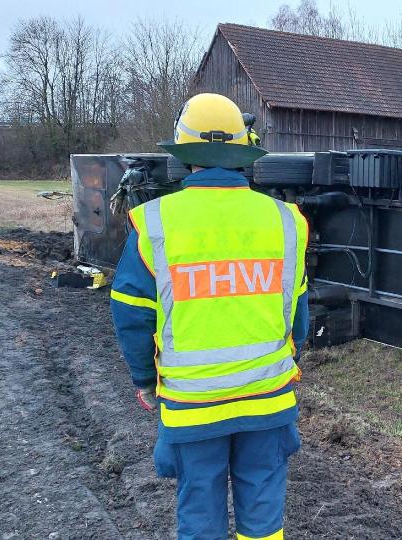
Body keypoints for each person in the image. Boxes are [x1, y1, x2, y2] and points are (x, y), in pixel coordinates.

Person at [110, 92, 309, 540]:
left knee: (200, 515)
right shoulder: (287, 220)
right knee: (263, 518)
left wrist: (145, 380)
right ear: (244, 150)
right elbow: (298, 312)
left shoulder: (153, 222)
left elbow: (132, 315)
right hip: (268, 400)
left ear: (185, 154)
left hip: (193, 408)